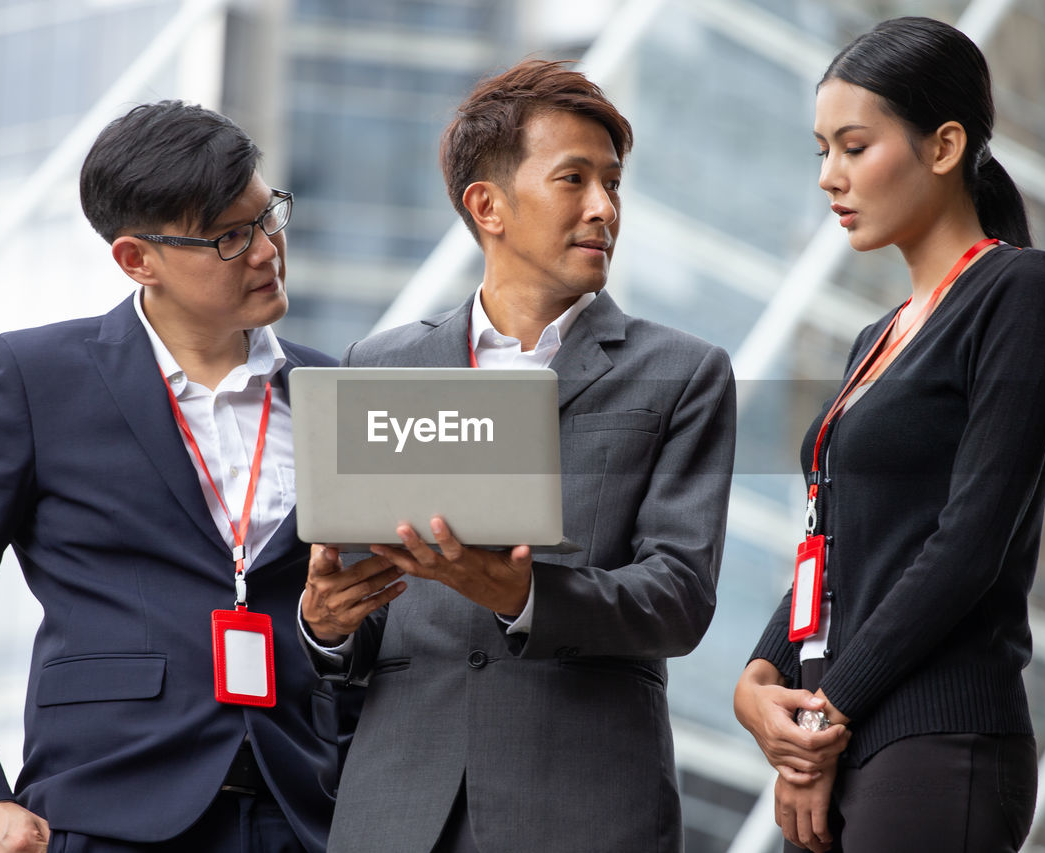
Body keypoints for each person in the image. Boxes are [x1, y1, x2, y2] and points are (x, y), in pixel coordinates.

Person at [0, 100, 355, 853]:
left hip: (305, 811)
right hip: (108, 811)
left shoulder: (337, 389)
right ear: (138, 259)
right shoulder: (33, 378)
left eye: (270, 216)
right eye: (232, 237)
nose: (268, 250)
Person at [299, 59, 737, 852]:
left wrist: (524, 593)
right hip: (397, 812)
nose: (604, 208)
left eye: (612, 183)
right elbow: (366, 603)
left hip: (585, 808)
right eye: (573, 179)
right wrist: (325, 625)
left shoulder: (682, 373)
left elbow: (678, 594)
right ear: (487, 205)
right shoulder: (379, 366)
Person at [732, 16, 1045, 853]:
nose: (829, 177)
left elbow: (968, 542)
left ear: (943, 146)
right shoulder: (875, 338)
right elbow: (843, 546)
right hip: (837, 739)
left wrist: (827, 712)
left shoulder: (1019, 290)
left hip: (933, 741)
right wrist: (759, 677)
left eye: (854, 147)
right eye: (821, 150)